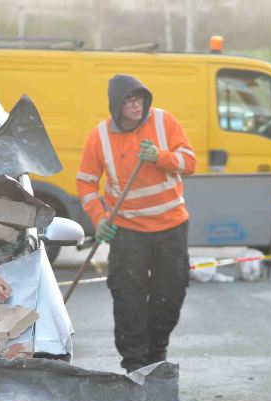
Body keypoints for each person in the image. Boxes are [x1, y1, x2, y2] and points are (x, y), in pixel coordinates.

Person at [76, 74, 196, 372]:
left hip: (171, 226)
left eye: (139, 98)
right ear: (117, 106)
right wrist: (99, 219)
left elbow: (189, 162)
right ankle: (134, 367)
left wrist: (161, 156)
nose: (136, 105)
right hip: (128, 230)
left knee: (170, 294)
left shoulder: (163, 122)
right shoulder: (100, 137)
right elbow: (86, 183)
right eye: (129, 101)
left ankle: (156, 358)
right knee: (128, 299)